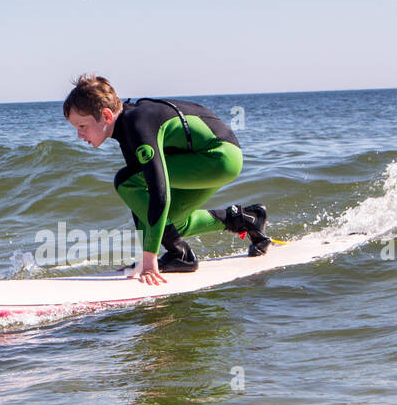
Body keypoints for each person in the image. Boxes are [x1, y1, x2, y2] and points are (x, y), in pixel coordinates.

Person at [62, 74, 270, 285]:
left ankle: (181, 255)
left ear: (106, 116)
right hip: (214, 158)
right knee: (169, 224)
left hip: (218, 157)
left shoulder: (137, 124)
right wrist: (145, 256)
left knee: (125, 180)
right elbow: (142, 204)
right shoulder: (126, 127)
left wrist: (149, 259)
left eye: (82, 126)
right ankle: (246, 219)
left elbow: (158, 193)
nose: (79, 135)